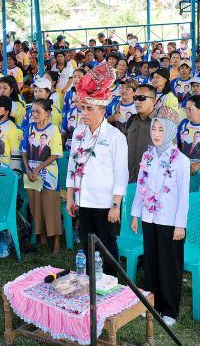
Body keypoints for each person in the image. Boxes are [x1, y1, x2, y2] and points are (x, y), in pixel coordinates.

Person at [66, 63, 128, 275]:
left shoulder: (115, 136)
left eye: (89, 109)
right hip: (84, 200)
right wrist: (69, 197)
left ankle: (111, 284)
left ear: (103, 110)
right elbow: (72, 166)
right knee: (86, 245)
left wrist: (116, 205)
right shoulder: (78, 133)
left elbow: (121, 173)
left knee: (108, 245)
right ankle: (91, 280)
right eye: (83, 108)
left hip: (105, 203)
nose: (84, 113)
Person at [130, 107, 190, 326]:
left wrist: (180, 225)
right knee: (152, 262)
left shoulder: (180, 160)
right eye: (154, 128)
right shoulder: (148, 155)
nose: (156, 133)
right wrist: (136, 215)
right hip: (149, 218)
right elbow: (140, 186)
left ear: (171, 131)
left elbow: (184, 196)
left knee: (170, 266)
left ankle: (170, 310)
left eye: (161, 130)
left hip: (170, 222)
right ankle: (152, 304)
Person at [22, 98, 63, 254]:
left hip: (48, 175)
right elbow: (24, 150)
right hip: (32, 174)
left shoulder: (54, 130)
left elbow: (55, 155)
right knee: (35, 205)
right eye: (32, 111)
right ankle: (43, 237)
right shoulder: (30, 127)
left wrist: (38, 168)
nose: (34, 114)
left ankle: (57, 241)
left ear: (47, 113)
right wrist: (27, 169)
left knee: (50, 206)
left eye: (37, 111)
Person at [125, 84, 157, 182]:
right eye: (135, 98)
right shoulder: (131, 120)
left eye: (142, 98)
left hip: (149, 185)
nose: (137, 102)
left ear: (153, 101)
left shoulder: (162, 124)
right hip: (128, 181)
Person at [0, 96, 22, 170]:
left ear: (6, 111)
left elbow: (16, 155)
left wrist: (12, 174)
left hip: (3, 173)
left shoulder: (13, 128)